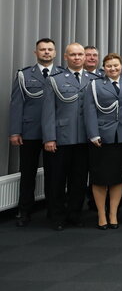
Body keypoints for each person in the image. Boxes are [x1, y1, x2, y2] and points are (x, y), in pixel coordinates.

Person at [9, 38, 62, 227]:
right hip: (30, 132)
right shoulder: (24, 75)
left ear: (55, 53)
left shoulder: (62, 74)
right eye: (42, 49)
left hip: (54, 134)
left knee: (54, 174)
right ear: (35, 53)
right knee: (28, 173)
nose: (46, 52)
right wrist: (15, 131)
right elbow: (16, 105)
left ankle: (53, 212)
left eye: (50, 49)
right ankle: (24, 211)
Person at [41, 43, 94, 231]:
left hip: (84, 139)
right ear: (66, 57)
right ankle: (56, 216)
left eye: (80, 54)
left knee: (79, 180)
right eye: (73, 55)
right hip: (61, 138)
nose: (77, 58)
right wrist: (49, 138)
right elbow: (48, 112)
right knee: (56, 179)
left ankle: (74, 214)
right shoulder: (55, 80)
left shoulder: (93, 79)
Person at [83, 53, 122, 229]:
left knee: (118, 177)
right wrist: (93, 134)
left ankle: (113, 213)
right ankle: (101, 214)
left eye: (116, 65)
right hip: (101, 137)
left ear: (121, 66)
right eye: (109, 66)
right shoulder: (95, 84)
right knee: (99, 178)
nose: (113, 69)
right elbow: (89, 110)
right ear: (104, 68)